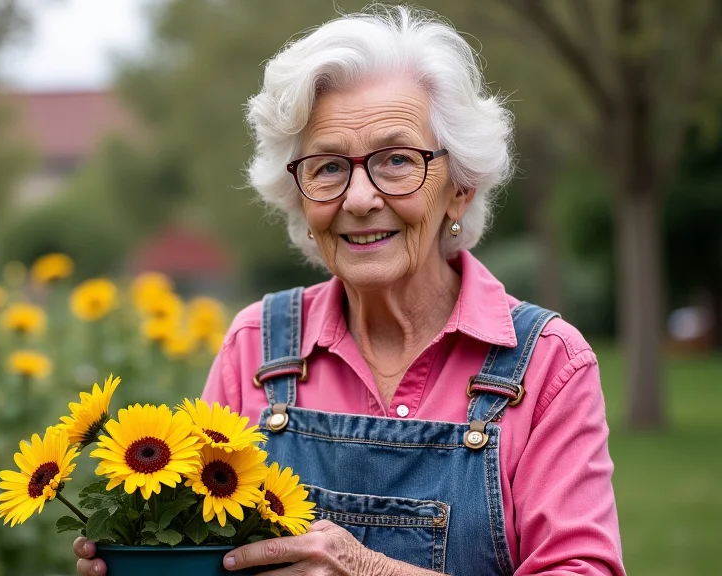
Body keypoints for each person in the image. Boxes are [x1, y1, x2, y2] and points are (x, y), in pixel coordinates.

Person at [75, 5, 625, 575]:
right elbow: (204, 551)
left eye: (397, 160)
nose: (359, 199)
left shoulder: (547, 363)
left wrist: (369, 570)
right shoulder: (256, 347)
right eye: (329, 167)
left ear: (459, 188)